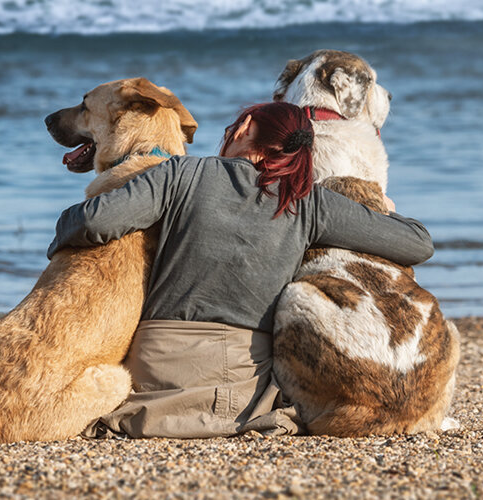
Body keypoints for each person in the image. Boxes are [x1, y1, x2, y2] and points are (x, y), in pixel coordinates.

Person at [47, 102, 434, 438]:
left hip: (156, 374)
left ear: (245, 129)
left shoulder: (182, 174)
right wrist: (382, 206)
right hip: (241, 392)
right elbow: (418, 243)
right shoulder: (310, 203)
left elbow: (93, 222)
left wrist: (58, 240)